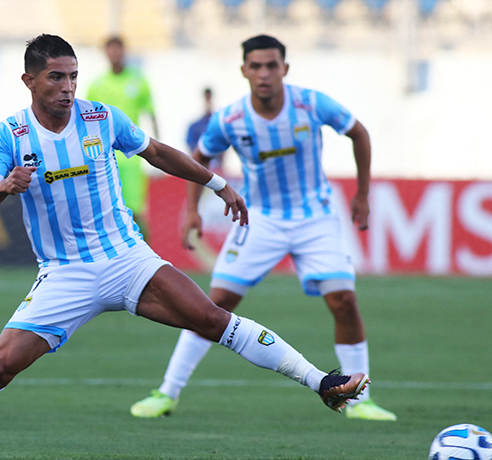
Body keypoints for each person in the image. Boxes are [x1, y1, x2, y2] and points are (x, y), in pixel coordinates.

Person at [0, 34, 369, 455]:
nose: (67, 88)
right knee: (2, 365)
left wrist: (216, 183)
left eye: (73, 77)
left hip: (126, 258)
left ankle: (321, 383)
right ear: (29, 81)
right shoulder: (10, 135)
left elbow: (157, 152)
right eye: (56, 78)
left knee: (213, 319)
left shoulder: (102, 117)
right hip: (65, 272)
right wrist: (6, 186)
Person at [130, 34, 396, 422]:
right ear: (244, 71)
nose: (264, 73)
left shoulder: (310, 104)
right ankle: (166, 392)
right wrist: (191, 210)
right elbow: (200, 155)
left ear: (285, 69)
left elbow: (359, 133)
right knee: (212, 305)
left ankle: (362, 401)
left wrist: (363, 194)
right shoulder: (231, 118)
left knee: (344, 301)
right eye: (256, 66)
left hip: (314, 217)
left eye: (272, 65)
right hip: (260, 219)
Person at [86, 36, 158, 232]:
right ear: (105, 53)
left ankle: (146, 256)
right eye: (111, 49)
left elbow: (151, 114)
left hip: (132, 156)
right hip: (103, 155)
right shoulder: (97, 84)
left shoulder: (138, 81)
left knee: (136, 210)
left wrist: (158, 151)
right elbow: (86, 121)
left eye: (118, 49)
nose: (115, 54)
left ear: (125, 51)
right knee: (105, 208)